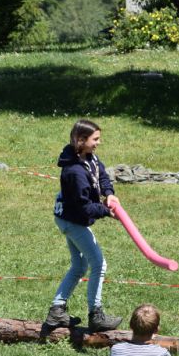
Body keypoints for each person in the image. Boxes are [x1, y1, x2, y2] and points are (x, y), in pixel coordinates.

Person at [44, 119, 122, 332]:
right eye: (95, 139)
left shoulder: (89, 157)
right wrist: (107, 211)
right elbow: (84, 207)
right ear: (81, 140)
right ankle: (96, 315)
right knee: (99, 264)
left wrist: (109, 193)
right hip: (72, 220)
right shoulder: (74, 172)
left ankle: (57, 311)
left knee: (79, 266)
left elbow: (102, 175)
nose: (99, 142)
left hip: (71, 218)